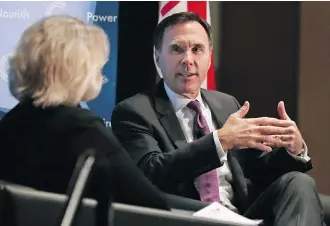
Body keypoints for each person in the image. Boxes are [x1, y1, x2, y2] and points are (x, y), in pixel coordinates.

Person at [111, 12, 325, 225]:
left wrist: (293, 150)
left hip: (240, 217)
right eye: (177, 49)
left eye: (197, 49)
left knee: (299, 183)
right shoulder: (133, 112)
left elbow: (258, 171)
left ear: (209, 57)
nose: (188, 60)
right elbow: (149, 173)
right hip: (185, 218)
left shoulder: (225, 104)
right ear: (157, 57)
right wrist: (219, 141)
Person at [0, 15, 169, 211]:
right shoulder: (82, 129)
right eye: (98, 66)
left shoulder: (11, 123)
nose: (100, 74)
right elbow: (151, 206)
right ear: (78, 72)